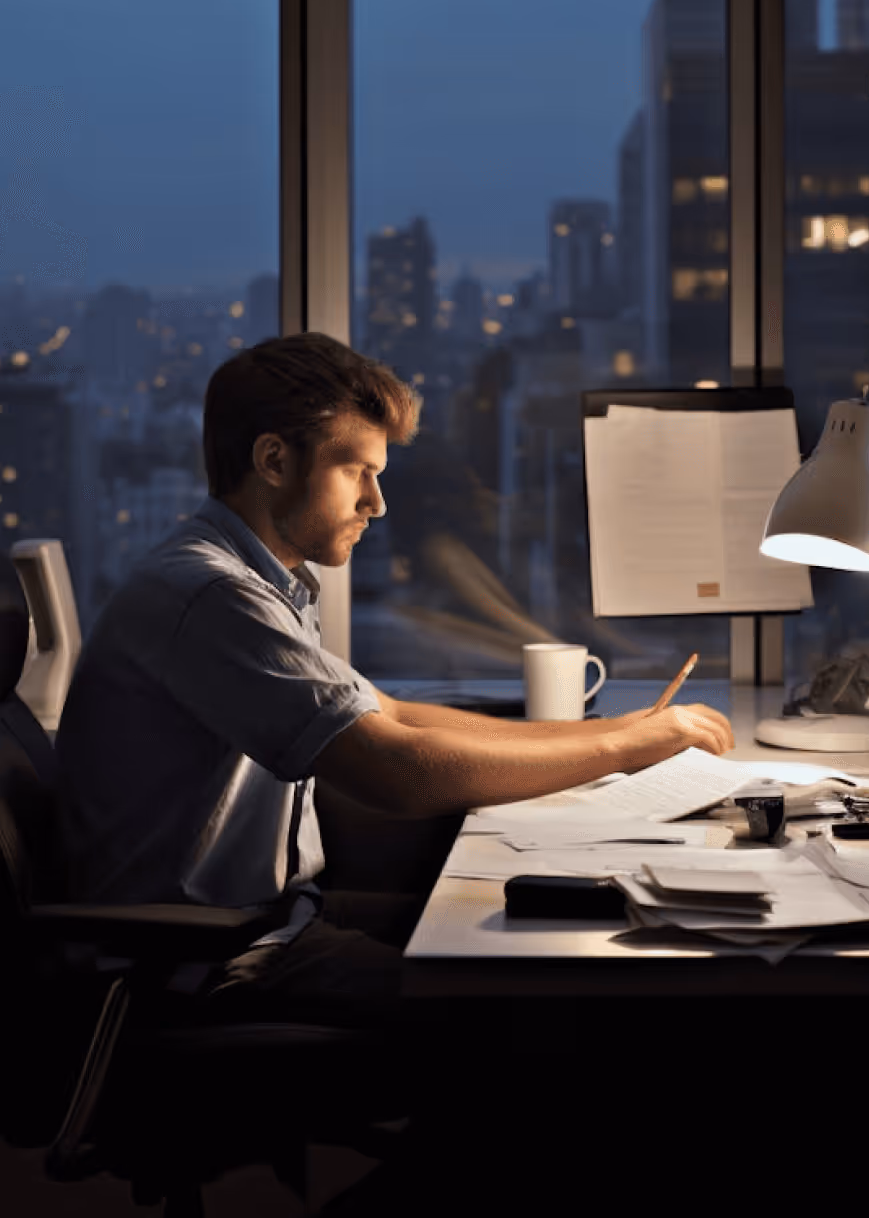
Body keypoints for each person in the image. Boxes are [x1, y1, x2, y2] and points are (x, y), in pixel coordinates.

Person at [54, 332, 734, 1025]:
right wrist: (622, 749)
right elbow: (396, 769)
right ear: (274, 460)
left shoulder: (257, 582)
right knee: (525, 1003)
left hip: (272, 922)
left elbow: (396, 715)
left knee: (542, 934)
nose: (376, 503)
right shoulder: (212, 596)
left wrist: (620, 731)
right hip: (203, 960)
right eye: (358, 472)